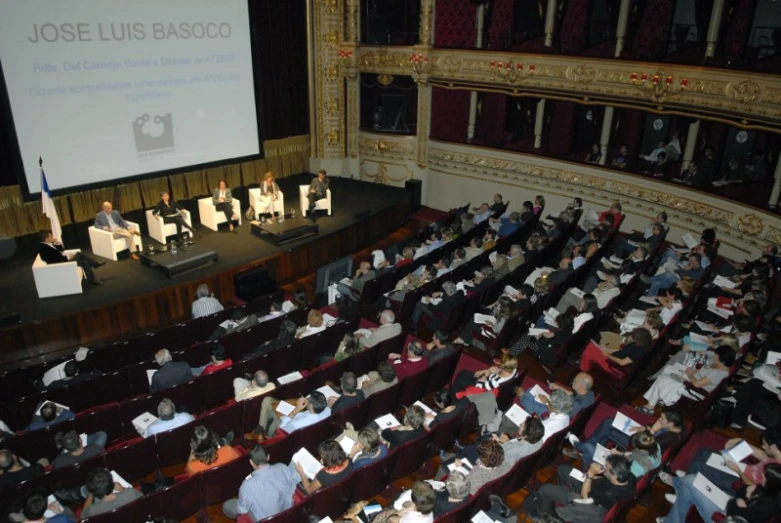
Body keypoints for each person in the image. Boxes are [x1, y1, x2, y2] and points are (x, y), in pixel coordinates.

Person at [526, 455, 636, 522]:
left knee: (544, 489)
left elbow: (584, 496)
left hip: (589, 502)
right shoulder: (629, 477)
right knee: (563, 469)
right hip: (593, 487)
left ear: (614, 475)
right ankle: (558, 497)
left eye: (606, 468)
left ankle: (543, 517)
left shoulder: (609, 494)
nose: (603, 468)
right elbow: (604, 480)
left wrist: (590, 474)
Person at [659, 463, 781, 523]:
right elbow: (739, 494)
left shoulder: (769, 506)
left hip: (723, 517)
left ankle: (675, 482)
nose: (761, 476)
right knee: (687, 490)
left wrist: (738, 501)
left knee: (691, 481)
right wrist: (745, 493)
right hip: (728, 503)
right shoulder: (766, 489)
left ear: (772, 482)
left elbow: (736, 514)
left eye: (765, 476)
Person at [640, 344, 735, 412]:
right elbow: (704, 373)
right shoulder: (720, 366)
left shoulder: (718, 373)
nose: (714, 357)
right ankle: (661, 398)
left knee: (663, 378)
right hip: (693, 378)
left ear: (723, 360)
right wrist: (694, 371)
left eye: (716, 356)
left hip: (695, 390)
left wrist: (689, 374)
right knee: (669, 369)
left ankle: (650, 406)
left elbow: (697, 385)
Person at [222, 445, 297, 521]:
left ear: (251, 462)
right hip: (287, 515)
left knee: (229, 505)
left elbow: (242, 510)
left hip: (264, 520)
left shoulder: (247, 486)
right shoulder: (282, 467)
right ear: (268, 457)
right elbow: (292, 489)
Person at [248, 390, 330, 441]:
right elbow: (328, 407)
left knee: (267, 404)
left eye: (308, 399)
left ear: (311, 406)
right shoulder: (326, 410)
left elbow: (281, 428)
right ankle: (259, 431)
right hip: (292, 416)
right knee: (268, 401)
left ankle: (262, 433)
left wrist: (297, 409)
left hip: (282, 426)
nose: (307, 398)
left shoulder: (298, 424)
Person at [38, 230, 104, 286]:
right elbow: (53, 260)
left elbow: (61, 250)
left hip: (64, 261)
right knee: (79, 254)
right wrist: (68, 257)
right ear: (46, 239)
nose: (52, 237)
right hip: (61, 265)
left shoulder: (48, 244)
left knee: (84, 262)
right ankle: (95, 264)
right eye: (51, 236)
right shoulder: (43, 249)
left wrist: (56, 242)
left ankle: (91, 280)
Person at [579, 327, 653, 374]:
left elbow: (622, 362)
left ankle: (583, 371)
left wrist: (608, 355)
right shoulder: (641, 345)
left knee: (588, 351)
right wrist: (606, 349)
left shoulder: (639, 351)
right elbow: (621, 352)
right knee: (593, 346)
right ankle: (585, 367)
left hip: (615, 366)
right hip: (614, 358)